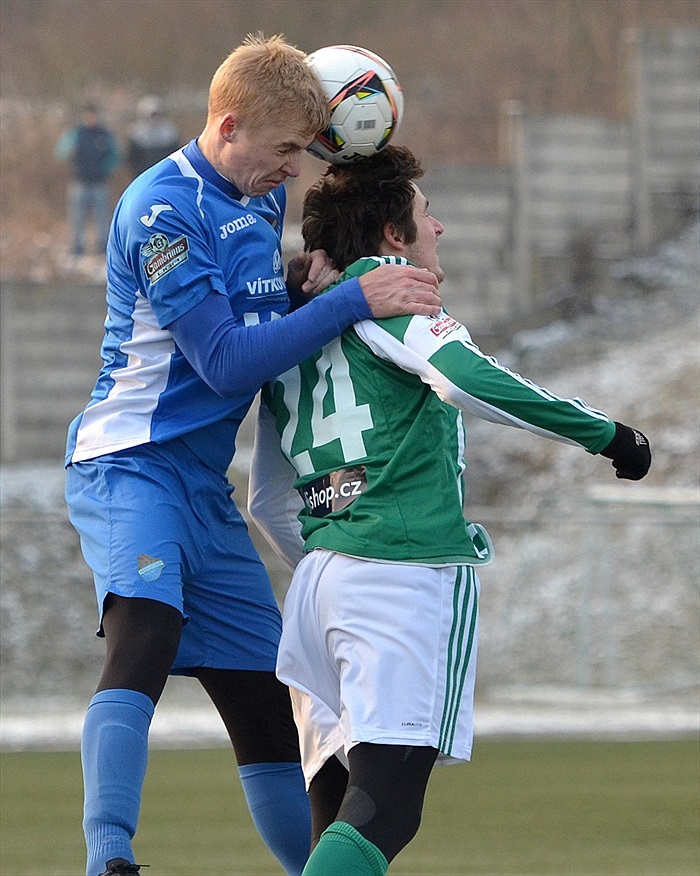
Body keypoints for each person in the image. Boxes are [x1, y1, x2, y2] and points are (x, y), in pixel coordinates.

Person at [64, 37, 440, 876]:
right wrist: (349, 298)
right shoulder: (160, 210)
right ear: (228, 126)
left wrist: (296, 283)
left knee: (267, 705)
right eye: (282, 152)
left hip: (201, 486)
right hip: (130, 465)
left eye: (302, 154)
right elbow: (225, 360)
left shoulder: (252, 197)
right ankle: (108, 860)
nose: (292, 171)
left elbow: (252, 306)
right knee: (146, 637)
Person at [247, 145, 652, 875]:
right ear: (394, 236)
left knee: (337, 824)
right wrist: (609, 435)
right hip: (400, 578)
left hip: (316, 591)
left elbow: (267, 500)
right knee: (385, 810)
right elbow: (465, 380)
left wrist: (335, 558)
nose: (443, 231)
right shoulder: (391, 291)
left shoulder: (297, 336)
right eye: (430, 218)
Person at [54, 103, 121, 257]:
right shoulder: (76, 134)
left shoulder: (104, 135)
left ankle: (103, 248)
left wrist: (105, 169)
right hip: (79, 182)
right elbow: (60, 151)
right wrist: (69, 151)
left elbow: (115, 156)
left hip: (99, 183)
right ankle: (77, 248)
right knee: (77, 218)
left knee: (102, 218)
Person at [126, 95, 180, 179]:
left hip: (166, 175)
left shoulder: (170, 132)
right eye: (152, 115)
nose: (155, 118)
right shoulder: (136, 134)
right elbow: (132, 158)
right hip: (143, 175)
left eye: (157, 114)